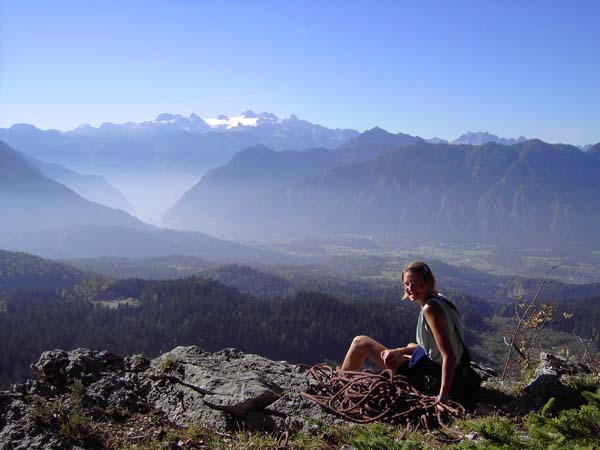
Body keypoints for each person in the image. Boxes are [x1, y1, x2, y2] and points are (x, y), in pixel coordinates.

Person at [340, 260, 468, 403]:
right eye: (407, 284)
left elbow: (448, 356)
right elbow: (436, 349)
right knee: (410, 345)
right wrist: (399, 351)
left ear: (428, 282)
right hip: (457, 371)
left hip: (432, 377)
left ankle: (341, 385)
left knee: (359, 342)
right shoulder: (441, 300)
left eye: (416, 283)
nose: (410, 288)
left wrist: (442, 397)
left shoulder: (430, 309)